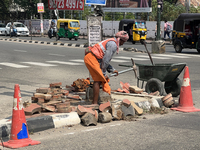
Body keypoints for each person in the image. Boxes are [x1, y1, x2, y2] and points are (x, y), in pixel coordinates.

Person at [84, 31, 129, 104]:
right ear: (119, 40)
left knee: (98, 79)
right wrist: (103, 74)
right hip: (91, 58)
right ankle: (94, 103)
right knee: (98, 80)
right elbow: (105, 60)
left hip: (92, 58)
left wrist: (112, 70)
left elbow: (104, 60)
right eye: (123, 42)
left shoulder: (111, 41)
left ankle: (95, 102)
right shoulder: (113, 45)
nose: (122, 44)